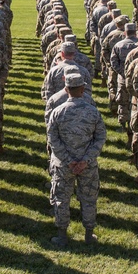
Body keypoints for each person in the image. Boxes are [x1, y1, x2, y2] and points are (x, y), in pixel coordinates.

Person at [46, 73, 107, 247]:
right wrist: (86, 160)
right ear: (83, 89)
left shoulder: (57, 112)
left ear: (66, 90)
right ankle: (89, 234)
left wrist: (68, 160)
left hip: (63, 165)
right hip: (87, 165)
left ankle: (62, 235)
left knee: (61, 199)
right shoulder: (93, 112)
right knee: (88, 198)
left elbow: (52, 139)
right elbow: (100, 137)